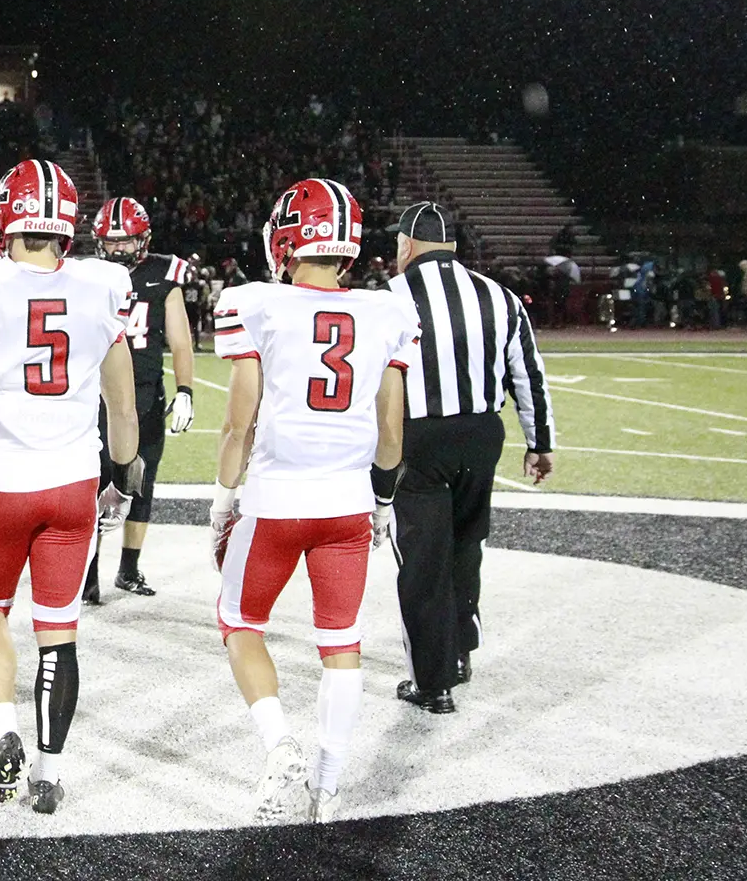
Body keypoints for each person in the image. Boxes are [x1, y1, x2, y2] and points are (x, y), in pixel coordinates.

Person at [0, 159, 142, 816]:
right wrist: (124, 476)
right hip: (73, 483)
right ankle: (49, 776)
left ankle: (4, 731)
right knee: (59, 632)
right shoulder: (103, 286)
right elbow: (124, 412)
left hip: (5, 482)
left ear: (4, 216)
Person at [210, 177, 420, 824]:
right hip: (348, 504)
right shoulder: (388, 311)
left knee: (239, 624)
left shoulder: (256, 302)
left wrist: (223, 501)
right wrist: (382, 502)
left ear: (286, 237)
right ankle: (328, 789)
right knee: (342, 645)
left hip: (275, 500)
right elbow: (391, 432)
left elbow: (237, 423)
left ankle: (279, 746)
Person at [385, 202, 555, 713]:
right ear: (454, 248)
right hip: (481, 436)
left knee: (421, 558)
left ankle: (433, 682)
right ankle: (460, 650)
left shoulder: (389, 298)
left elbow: (370, 382)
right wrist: (540, 442)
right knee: (465, 544)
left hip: (418, 437)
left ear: (407, 246)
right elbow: (528, 373)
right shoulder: (499, 296)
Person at [84, 197, 194, 602]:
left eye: (126, 241)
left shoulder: (163, 273)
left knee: (141, 483)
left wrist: (185, 391)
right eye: (111, 242)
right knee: (95, 484)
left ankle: (128, 569)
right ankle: (88, 573)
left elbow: (180, 341)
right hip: (99, 394)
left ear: (143, 240)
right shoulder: (86, 275)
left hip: (147, 392)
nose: (118, 250)